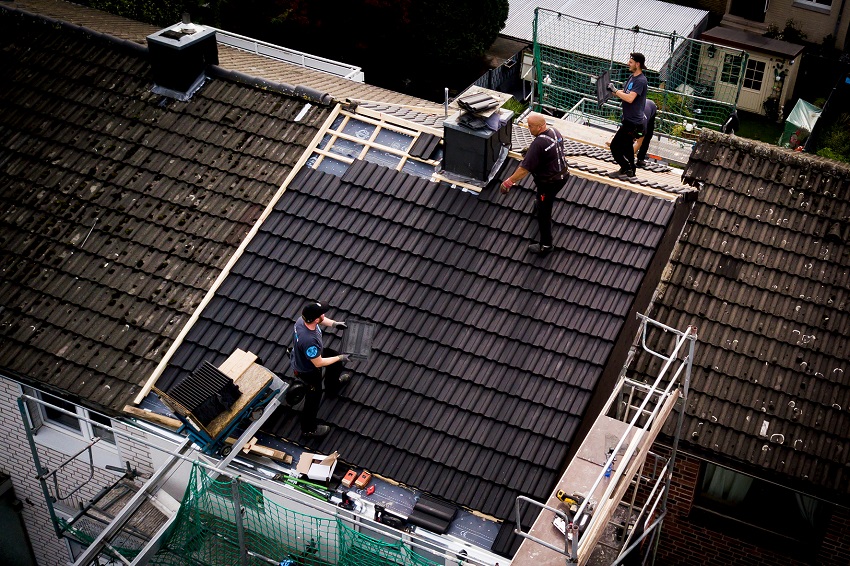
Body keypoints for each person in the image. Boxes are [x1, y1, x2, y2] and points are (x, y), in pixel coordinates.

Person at [500, 112, 569, 256]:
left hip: (550, 183)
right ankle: (539, 202)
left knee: (544, 213)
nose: (528, 128)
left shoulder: (538, 144)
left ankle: (546, 245)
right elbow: (550, 153)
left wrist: (508, 182)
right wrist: (531, 152)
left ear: (539, 127)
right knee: (541, 197)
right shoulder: (555, 132)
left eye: (530, 126)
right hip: (563, 175)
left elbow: (524, 169)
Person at [291, 301, 350, 438]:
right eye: (321, 314)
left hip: (314, 356)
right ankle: (308, 429)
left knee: (334, 362)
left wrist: (334, 324)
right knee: (313, 398)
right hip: (308, 370)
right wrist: (341, 357)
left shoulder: (302, 320)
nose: (324, 315)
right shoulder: (309, 341)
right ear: (316, 319)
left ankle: (332, 386)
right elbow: (318, 363)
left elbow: (321, 320)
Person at [607, 53, 648, 177]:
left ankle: (626, 168)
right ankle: (630, 170)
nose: (628, 64)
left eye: (630, 62)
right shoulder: (632, 77)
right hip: (628, 120)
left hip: (633, 122)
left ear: (637, 64)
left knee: (615, 146)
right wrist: (611, 92)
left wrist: (615, 90)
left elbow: (630, 98)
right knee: (627, 147)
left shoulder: (641, 80)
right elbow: (625, 94)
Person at [634, 98, 657, 168]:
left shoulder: (643, 123)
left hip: (651, 107)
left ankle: (641, 158)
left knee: (647, 137)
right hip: (640, 109)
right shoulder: (627, 117)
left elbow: (639, 142)